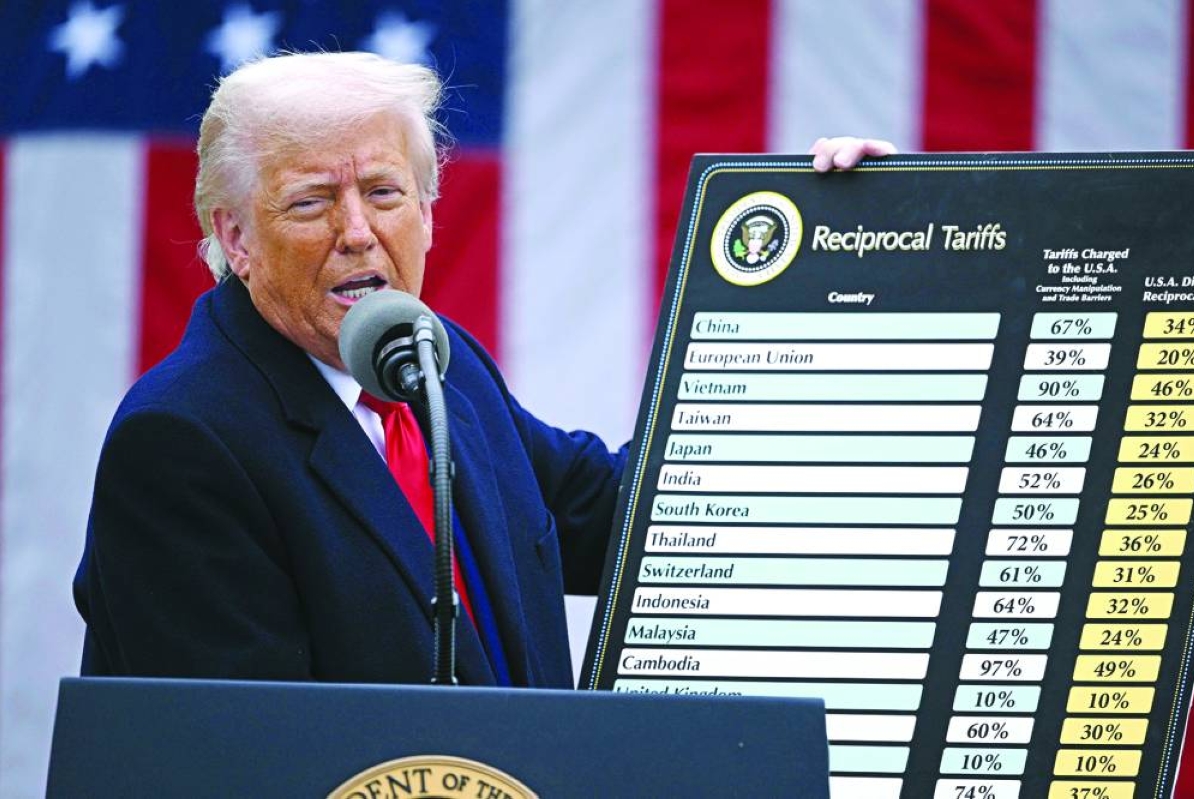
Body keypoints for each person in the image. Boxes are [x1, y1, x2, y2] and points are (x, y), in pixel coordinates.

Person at [73, 51, 893, 687]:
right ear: (237, 238)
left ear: (428, 212)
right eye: (312, 201)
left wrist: (829, 265)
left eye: (386, 192)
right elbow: (252, 757)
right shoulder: (182, 440)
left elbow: (634, 518)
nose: (357, 231)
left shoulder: (439, 363)